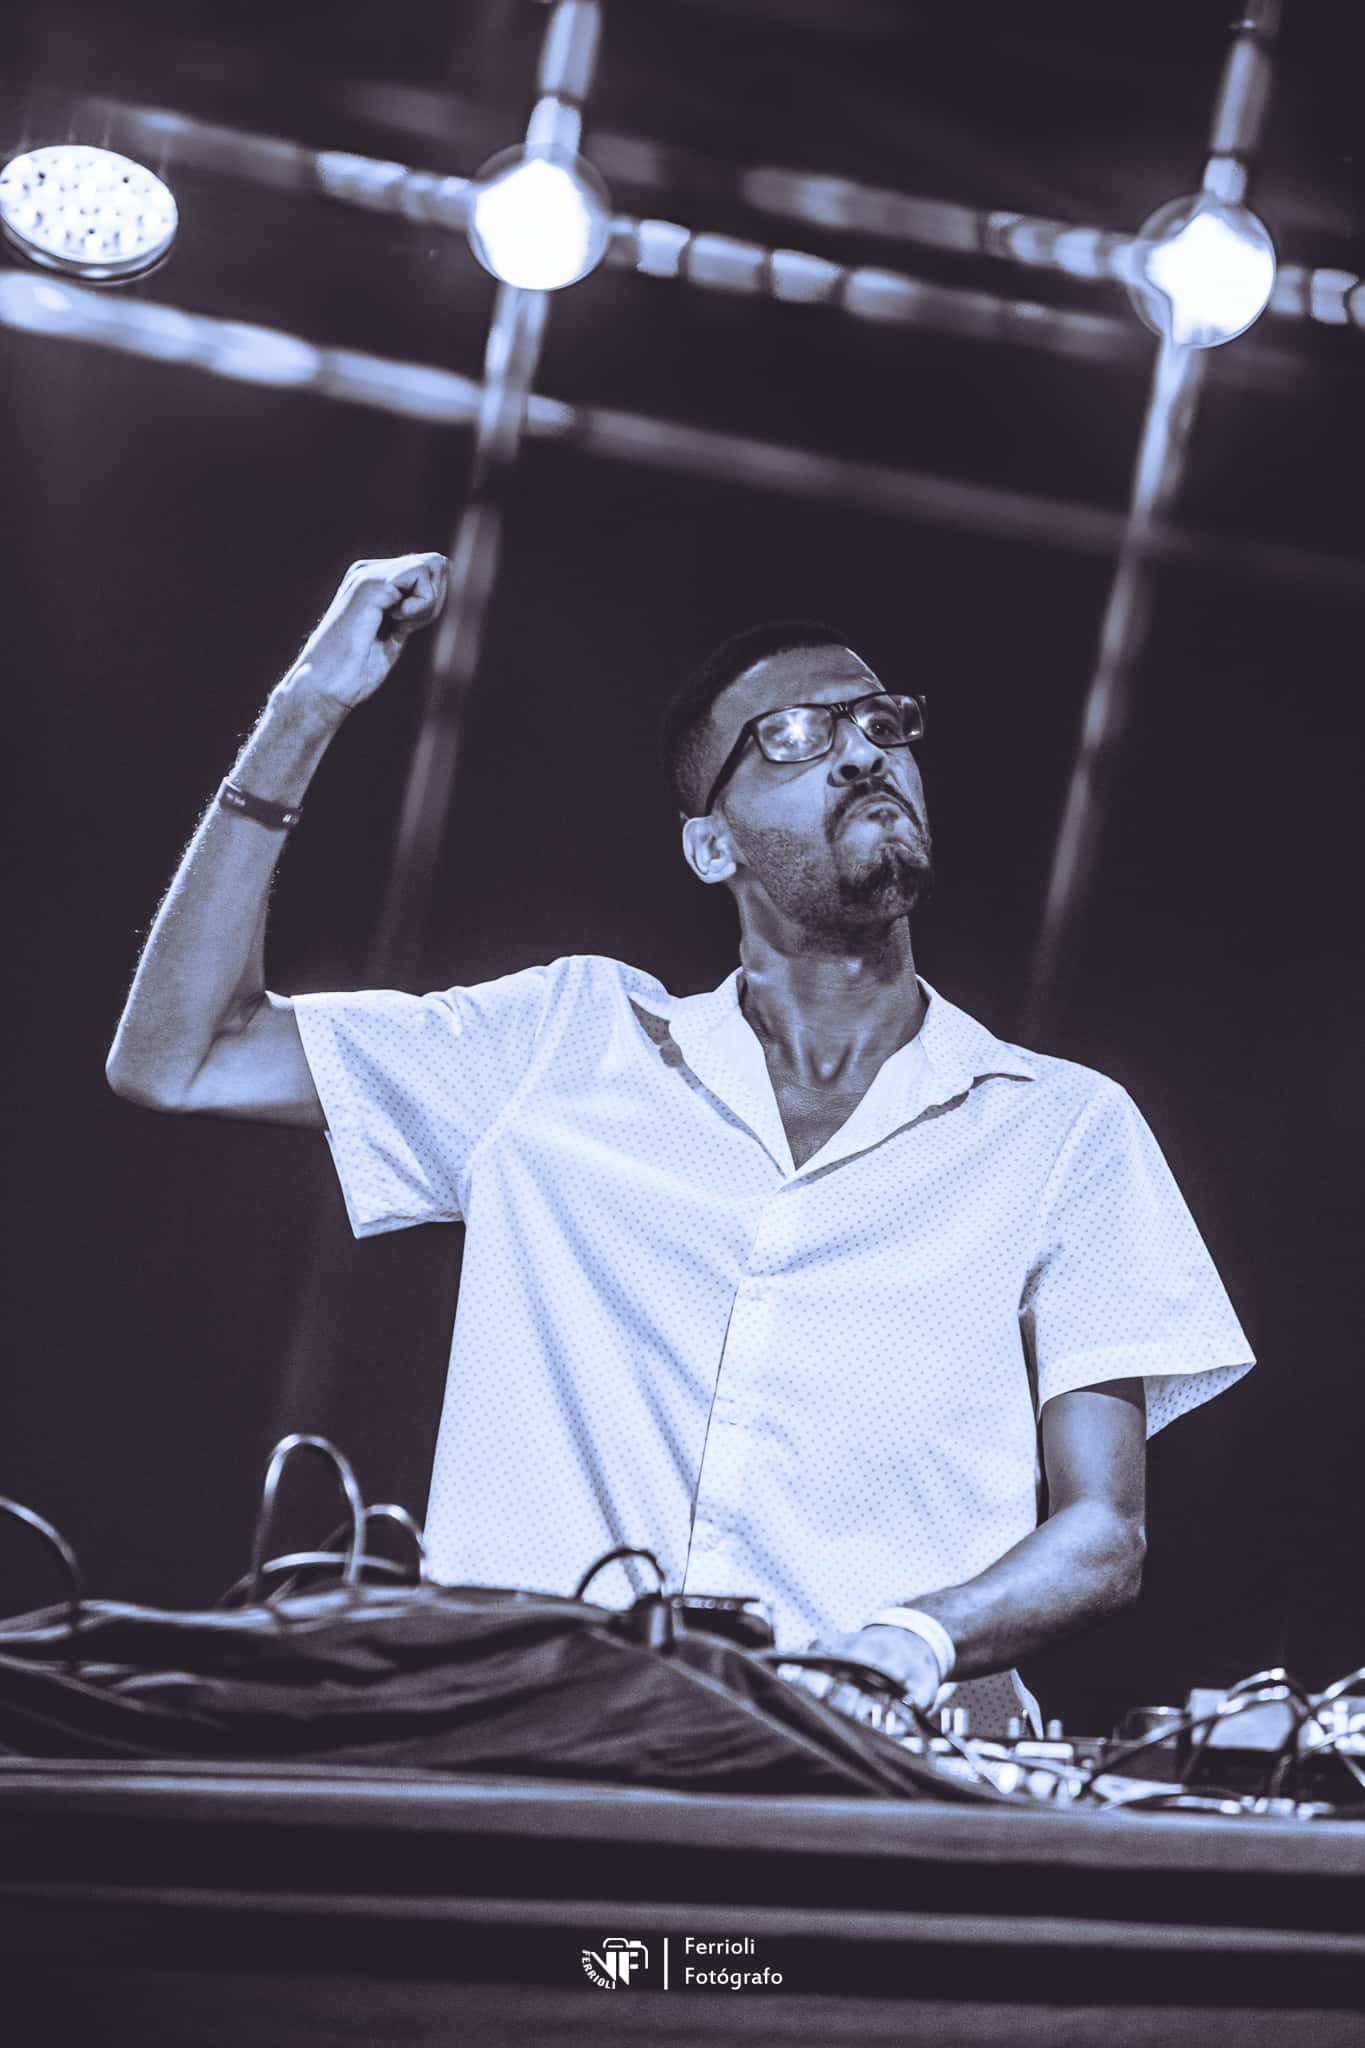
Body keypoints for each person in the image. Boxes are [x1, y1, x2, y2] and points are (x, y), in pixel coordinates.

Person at [107, 551, 1253, 1733]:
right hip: (526, 1761)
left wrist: (913, 1638)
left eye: (880, 723)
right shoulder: (561, 1042)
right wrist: (306, 707)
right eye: (793, 735)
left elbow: (1103, 1532)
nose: (861, 753)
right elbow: (183, 1052)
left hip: (861, 1777)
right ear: (713, 845)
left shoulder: (1060, 1125)